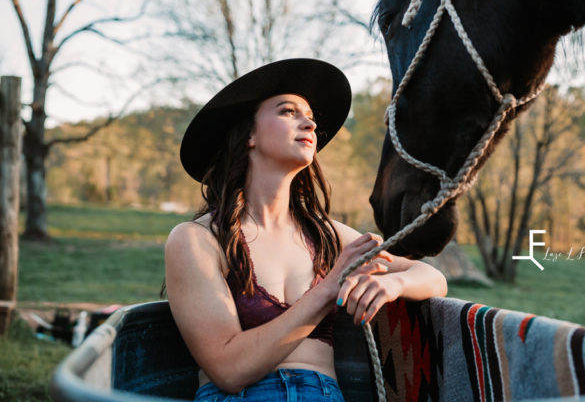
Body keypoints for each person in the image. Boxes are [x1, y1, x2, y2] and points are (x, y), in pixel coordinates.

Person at [164, 58, 447, 401]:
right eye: (288, 111)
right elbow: (229, 371)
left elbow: (432, 277)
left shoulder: (326, 236)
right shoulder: (198, 239)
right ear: (249, 134)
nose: (309, 123)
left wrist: (393, 282)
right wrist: (329, 288)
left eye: (310, 115)